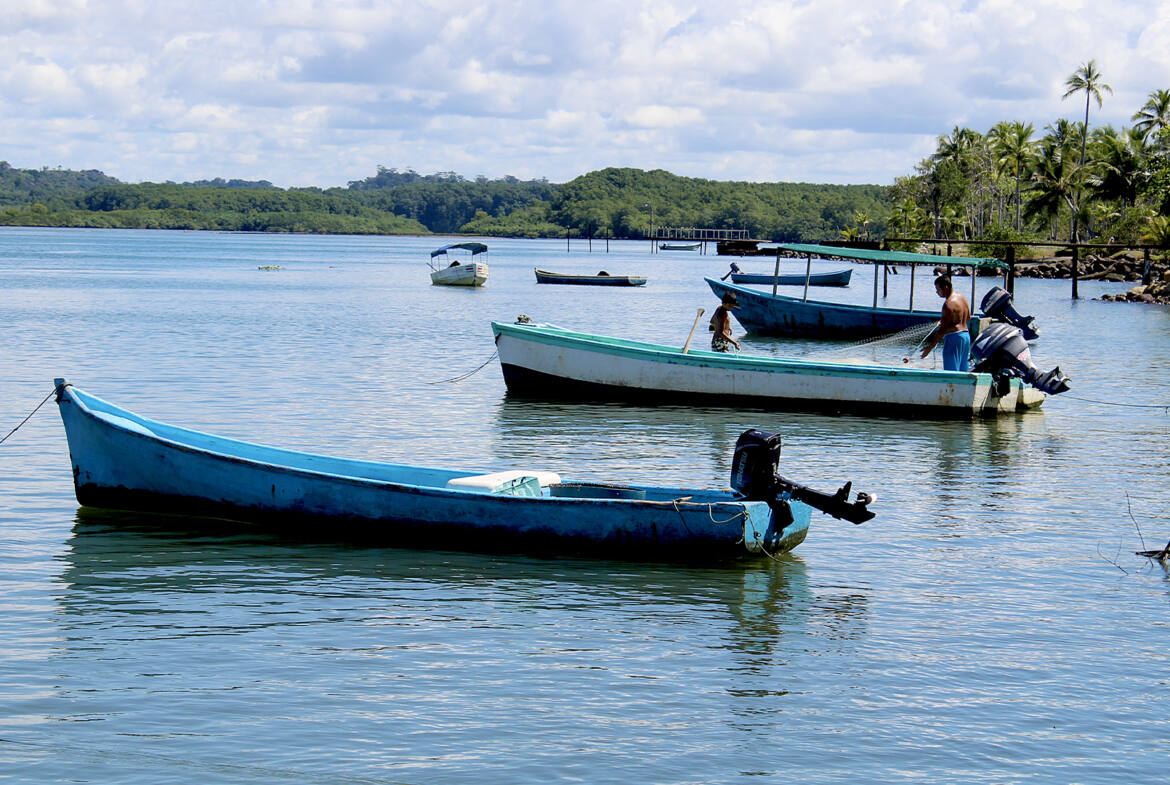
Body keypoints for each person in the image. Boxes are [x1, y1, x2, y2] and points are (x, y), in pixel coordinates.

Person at [920, 275, 971, 370]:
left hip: (954, 339)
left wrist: (930, 347)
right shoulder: (962, 297)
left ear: (946, 288)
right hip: (966, 336)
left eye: (938, 289)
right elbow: (968, 317)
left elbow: (942, 330)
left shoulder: (948, 304)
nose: (937, 292)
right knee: (963, 372)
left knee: (951, 373)